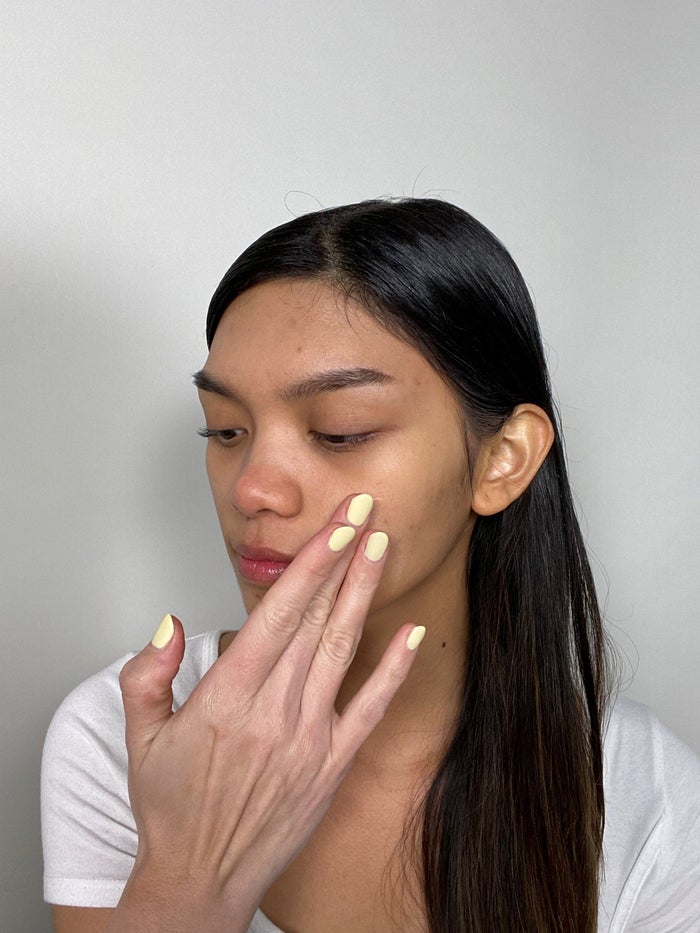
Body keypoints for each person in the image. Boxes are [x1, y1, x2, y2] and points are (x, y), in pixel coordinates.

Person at [41, 199, 700, 933]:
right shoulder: (118, 738)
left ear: (502, 459)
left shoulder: (647, 794)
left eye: (339, 431)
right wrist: (188, 875)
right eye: (225, 428)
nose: (251, 487)